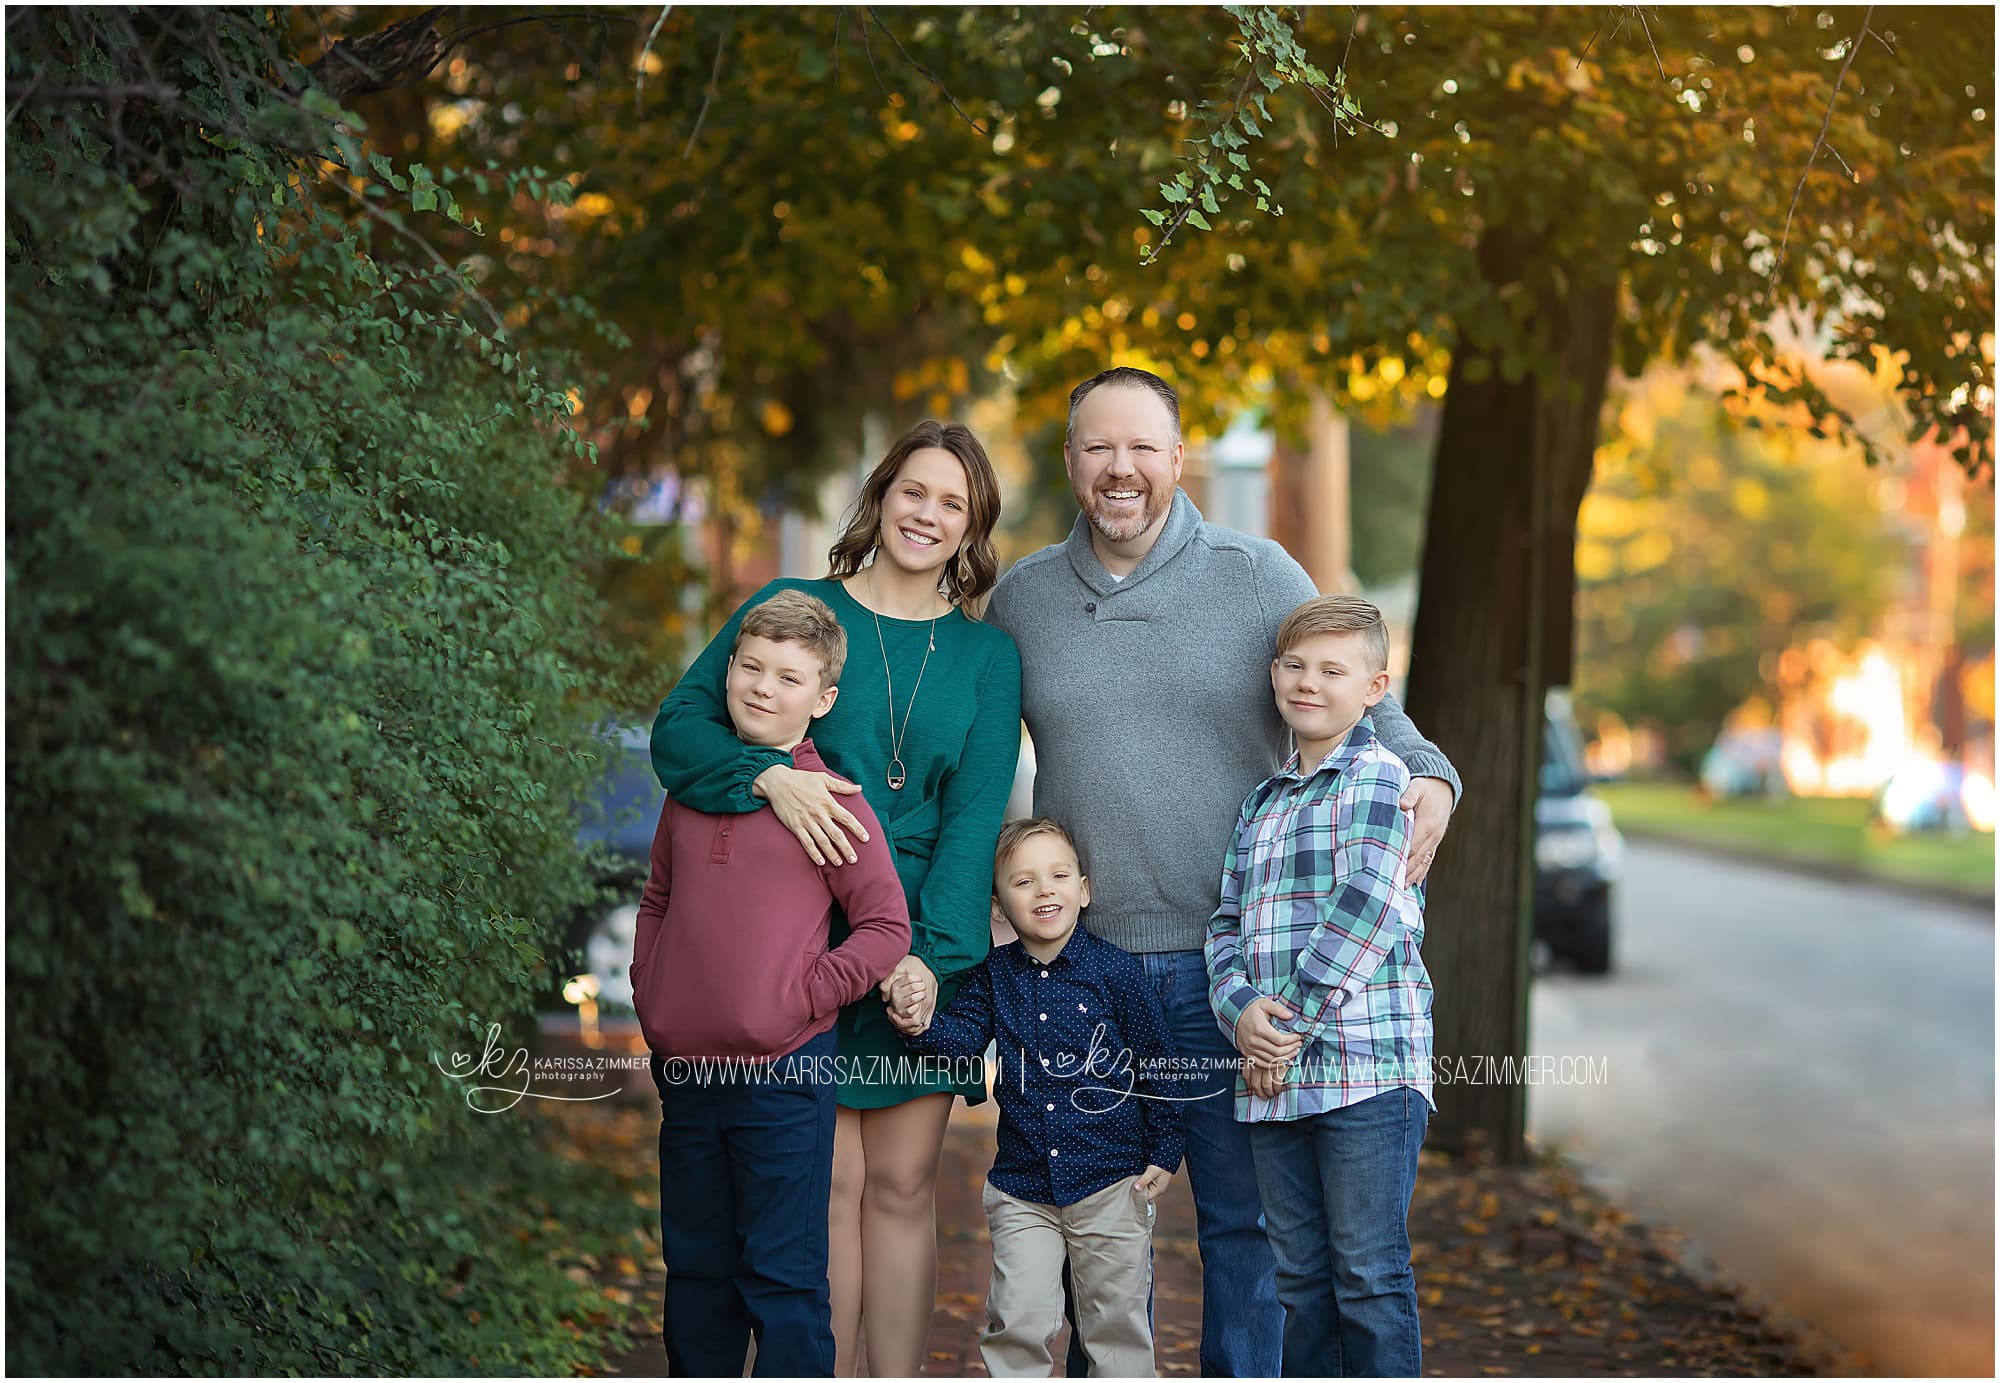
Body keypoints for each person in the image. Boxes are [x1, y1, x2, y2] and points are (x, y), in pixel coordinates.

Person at [983, 366, 1461, 1376]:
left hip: (1231, 973)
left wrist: (1432, 778)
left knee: (1248, 1237)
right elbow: (974, 764)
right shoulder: (1021, 600)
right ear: (1070, 461)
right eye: (1098, 448)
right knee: (1096, 1231)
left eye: (1141, 448)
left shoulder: (1256, 574)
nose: (1120, 469)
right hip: (1092, 975)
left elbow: (1365, 702)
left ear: (1175, 458)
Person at [648, 421, 1022, 1377]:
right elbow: (680, 730)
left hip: (915, 944)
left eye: (952, 503)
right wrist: (764, 778)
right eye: (914, 491)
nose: (927, 515)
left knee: (899, 1183)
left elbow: (974, 817)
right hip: (798, 945)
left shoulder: (987, 657)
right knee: (827, 1181)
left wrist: (926, 961)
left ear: (973, 525)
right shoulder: (792, 609)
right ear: (880, 493)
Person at [630, 590, 912, 1376]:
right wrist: (650, 987)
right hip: (687, 1073)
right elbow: (658, 897)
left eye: (788, 677)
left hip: (784, 1077)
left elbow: (887, 928)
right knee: (695, 1275)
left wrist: (802, 994)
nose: (762, 686)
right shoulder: (690, 789)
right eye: (750, 666)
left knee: (782, 1279)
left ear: (821, 699)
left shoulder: (834, 802)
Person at [1205, 595, 1435, 1378]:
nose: (1309, 683)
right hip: (1272, 1073)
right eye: (1296, 666)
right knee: (1299, 1280)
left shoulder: (1380, 781)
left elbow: (1366, 907)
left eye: (1333, 670)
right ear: (1274, 674)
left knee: (1367, 1277)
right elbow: (1224, 922)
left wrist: (1288, 1025)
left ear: (1375, 686)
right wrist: (1243, 1017)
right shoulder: (1262, 803)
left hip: (1365, 1069)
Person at [896, 818, 1184, 1378]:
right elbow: (959, 1041)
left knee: (1115, 1327)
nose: (1045, 890)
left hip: (1111, 1183)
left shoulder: (1117, 973)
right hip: (1023, 1189)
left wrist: (1164, 1149)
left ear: (1085, 888)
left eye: (1058, 875)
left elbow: (1158, 1062)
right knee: (1017, 1320)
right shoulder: (992, 978)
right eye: (1023, 882)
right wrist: (917, 1020)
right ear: (999, 904)